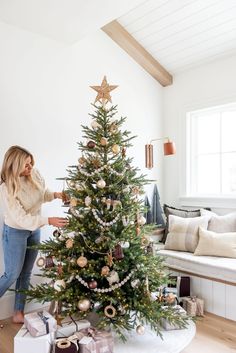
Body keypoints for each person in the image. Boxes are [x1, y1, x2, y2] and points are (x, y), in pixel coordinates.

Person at [0, 145, 68, 323]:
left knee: (26, 272)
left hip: (34, 229)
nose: (30, 168)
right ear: (14, 165)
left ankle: (18, 313)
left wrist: (55, 194)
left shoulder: (34, 174)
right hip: (15, 231)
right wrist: (48, 221)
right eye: (26, 165)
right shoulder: (6, 188)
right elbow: (20, 218)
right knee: (12, 274)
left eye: (31, 163)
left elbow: (41, 194)